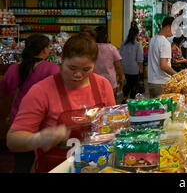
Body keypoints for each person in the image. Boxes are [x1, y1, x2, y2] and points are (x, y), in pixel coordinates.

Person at [7, 32, 116, 173]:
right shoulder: (41, 91)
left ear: (94, 65)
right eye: (72, 68)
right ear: (61, 60)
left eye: (86, 69)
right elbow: (13, 139)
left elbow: (113, 125)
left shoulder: (103, 85)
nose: (78, 74)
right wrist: (37, 139)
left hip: (97, 166)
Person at [0, 34, 60, 173]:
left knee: (21, 165)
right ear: (45, 50)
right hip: (43, 126)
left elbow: (3, 92)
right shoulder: (51, 69)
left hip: (18, 125)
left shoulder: (13, 68)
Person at [147, 16, 177, 98]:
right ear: (168, 27)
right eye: (174, 29)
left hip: (152, 82)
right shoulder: (165, 42)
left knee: (155, 109)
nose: (174, 32)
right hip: (161, 83)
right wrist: (177, 75)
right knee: (163, 109)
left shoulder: (153, 39)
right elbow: (163, 65)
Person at [93, 26, 123, 97]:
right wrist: (120, 78)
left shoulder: (91, 48)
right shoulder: (112, 48)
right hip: (110, 81)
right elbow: (118, 66)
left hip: (94, 80)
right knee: (110, 102)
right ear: (106, 36)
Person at [119, 26, 144, 102]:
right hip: (134, 69)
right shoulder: (137, 45)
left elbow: (120, 56)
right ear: (137, 35)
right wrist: (141, 69)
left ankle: (125, 97)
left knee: (127, 83)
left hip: (125, 68)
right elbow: (139, 59)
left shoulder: (123, 44)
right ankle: (131, 100)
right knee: (134, 86)